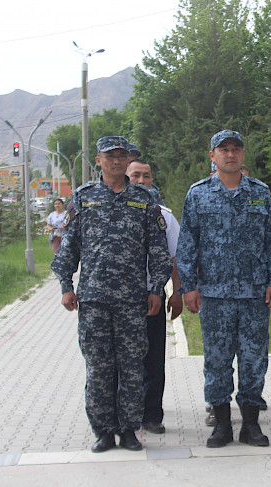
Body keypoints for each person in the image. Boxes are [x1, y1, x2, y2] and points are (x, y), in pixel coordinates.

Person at [51, 136, 172, 453]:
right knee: (99, 368)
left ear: (127, 159)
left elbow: (158, 251)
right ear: (99, 160)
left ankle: (129, 429)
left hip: (133, 301)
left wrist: (156, 289)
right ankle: (104, 430)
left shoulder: (144, 200)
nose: (116, 161)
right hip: (94, 300)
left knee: (131, 368)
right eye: (110, 156)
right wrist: (66, 285)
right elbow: (69, 247)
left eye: (121, 155)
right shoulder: (84, 197)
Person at [176, 129, 271, 448]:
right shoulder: (198, 194)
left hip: (254, 294)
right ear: (212, 155)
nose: (230, 154)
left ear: (243, 154)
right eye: (223, 149)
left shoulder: (260, 192)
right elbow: (187, 245)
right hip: (214, 295)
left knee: (254, 360)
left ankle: (250, 425)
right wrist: (189, 287)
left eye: (236, 148)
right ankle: (222, 425)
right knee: (217, 360)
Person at [125, 159, 183, 435]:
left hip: (152, 297)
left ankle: (151, 415)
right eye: (135, 175)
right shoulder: (112, 211)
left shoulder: (164, 216)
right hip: (118, 300)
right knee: (122, 360)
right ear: (125, 177)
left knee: (153, 359)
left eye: (146, 176)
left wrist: (177, 292)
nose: (141, 180)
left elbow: (176, 257)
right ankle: (125, 414)